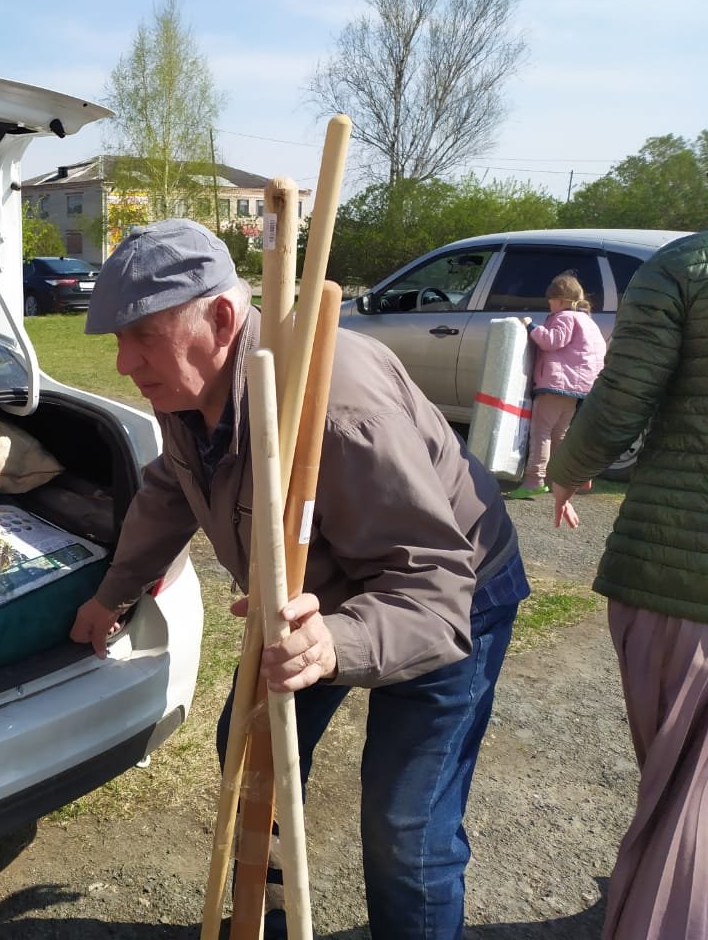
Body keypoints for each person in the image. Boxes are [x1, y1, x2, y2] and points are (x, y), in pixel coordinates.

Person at [70, 219, 529, 940]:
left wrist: (334, 644)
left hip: (449, 586)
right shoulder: (188, 393)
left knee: (405, 824)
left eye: (142, 336)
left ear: (221, 317)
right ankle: (266, 917)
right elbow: (171, 489)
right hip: (313, 595)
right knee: (251, 754)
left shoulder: (340, 405)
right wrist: (113, 594)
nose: (125, 363)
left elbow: (435, 588)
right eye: (115, 340)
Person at [546, 231, 708, 939]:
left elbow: (621, 400)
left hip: (680, 576)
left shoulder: (684, 268)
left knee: (683, 794)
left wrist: (565, 468)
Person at [509, 272, 607, 500]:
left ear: (561, 300)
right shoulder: (587, 321)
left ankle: (534, 479)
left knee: (541, 432)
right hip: (576, 389)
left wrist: (531, 326)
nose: (549, 305)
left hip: (555, 384)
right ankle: (571, 477)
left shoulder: (564, 318)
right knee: (560, 434)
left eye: (550, 301)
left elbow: (551, 342)